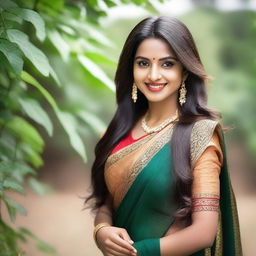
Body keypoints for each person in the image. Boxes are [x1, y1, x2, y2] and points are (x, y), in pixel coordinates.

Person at [85, 16, 243, 256]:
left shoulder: (200, 137)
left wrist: (139, 252)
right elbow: (107, 204)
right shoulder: (114, 134)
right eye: (143, 63)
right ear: (132, 68)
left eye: (167, 64)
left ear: (185, 71)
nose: (153, 75)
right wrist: (102, 230)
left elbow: (204, 232)